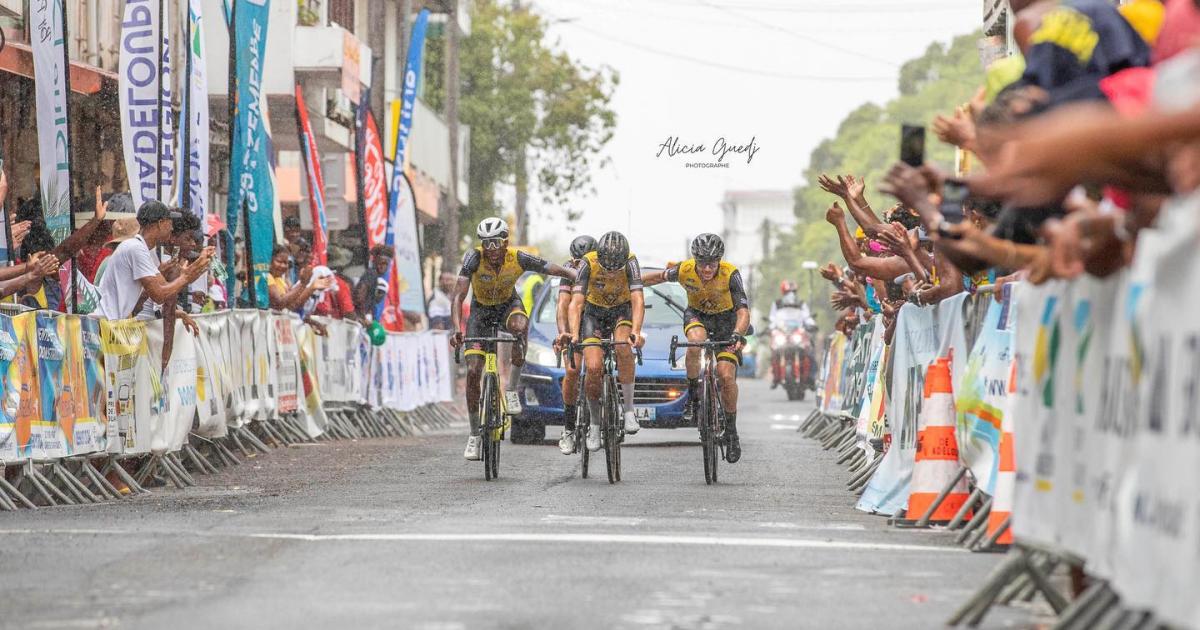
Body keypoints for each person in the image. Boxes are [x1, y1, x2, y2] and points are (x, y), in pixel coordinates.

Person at [449, 217, 577, 461]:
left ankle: (511, 390)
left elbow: (550, 267)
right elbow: (457, 296)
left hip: (508, 306)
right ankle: (475, 434)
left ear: (505, 241)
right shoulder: (473, 258)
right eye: (486, 243)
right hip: (481, 313)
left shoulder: (517, 258)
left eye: (496, 243)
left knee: (520, 325)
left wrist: (574, 274)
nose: (491, 249)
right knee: (474, 371)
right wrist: (457, 328)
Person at [643, 233, 750, 463]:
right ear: (695, 260)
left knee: (725, 376)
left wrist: (737, 334)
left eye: (712, 263)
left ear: (719, 260)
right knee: (695, 342)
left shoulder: (730, 274)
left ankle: (731, 432)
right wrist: (632, 281)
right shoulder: (685, 270)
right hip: (698, 316)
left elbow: (743, 312)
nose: (707, 269)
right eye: (702, 263)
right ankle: (693, 396)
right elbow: (657, 278)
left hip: (725, 322)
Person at [564, 230, 645, 453]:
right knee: (593, 367)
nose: (610, 272)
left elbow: (638, 299)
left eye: (615, 268)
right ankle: (594, 424)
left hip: (621, 310)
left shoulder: (631, 261)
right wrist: (573, 333)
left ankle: (628, 411)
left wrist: (636, 331)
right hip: (594, 314)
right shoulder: (588, 263)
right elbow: (576, 303)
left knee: (623, 346)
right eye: (606, 267)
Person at [97, 201, 213, 321]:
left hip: (115, 324)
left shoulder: (140, 248)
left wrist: (193, 270)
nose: (172, 228)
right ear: (160, 223)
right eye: (170, 223)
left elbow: (165, 288)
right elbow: (159, 295)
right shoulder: (135, 248)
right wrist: (186, 277)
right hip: (107, 325)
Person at [552, 234, 596, 455]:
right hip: (574, 321)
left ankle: (604, 409)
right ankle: (569, 428)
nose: (580, 266)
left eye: (584, 261)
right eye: (577, 261)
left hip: (597, 319)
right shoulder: (568, 270)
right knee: (572, 370)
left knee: (598, 366)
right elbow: (562, 305)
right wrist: (564, 333)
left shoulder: (600, 267)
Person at [354, 244, 393, 320]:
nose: (382, 267)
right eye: (380, 263)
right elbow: (359, 296)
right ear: (374, 261)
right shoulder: (371, 274)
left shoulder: (375, 276)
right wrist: (363, 316)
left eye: (385, 264)